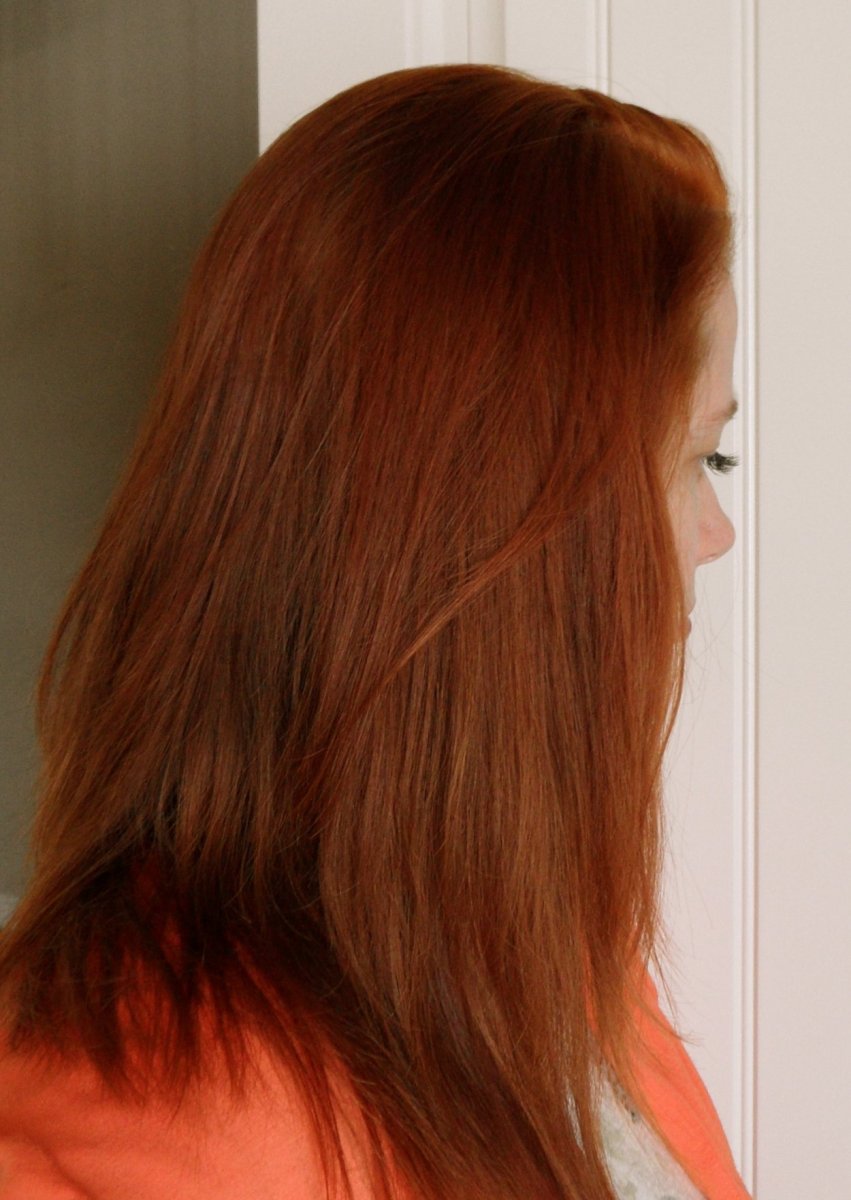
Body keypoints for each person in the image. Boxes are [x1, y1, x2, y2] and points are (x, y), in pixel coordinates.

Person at [0, 63, 748, 1200]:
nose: (715, 534)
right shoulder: (143, 1101)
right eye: (698, 458)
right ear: (511, 526)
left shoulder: (533, 972)